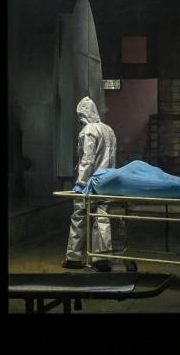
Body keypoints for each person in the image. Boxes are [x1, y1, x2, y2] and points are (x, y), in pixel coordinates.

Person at [63, 96, 117, 271]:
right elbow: (112, 158)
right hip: (107, 182)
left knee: (79, 216)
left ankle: (74, 258)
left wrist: (80, 182)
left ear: (82, 115)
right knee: (102, 217)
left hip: (90, 183)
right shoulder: (109, 130)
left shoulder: (88, 131)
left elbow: (87, 159)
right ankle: (102, 258)